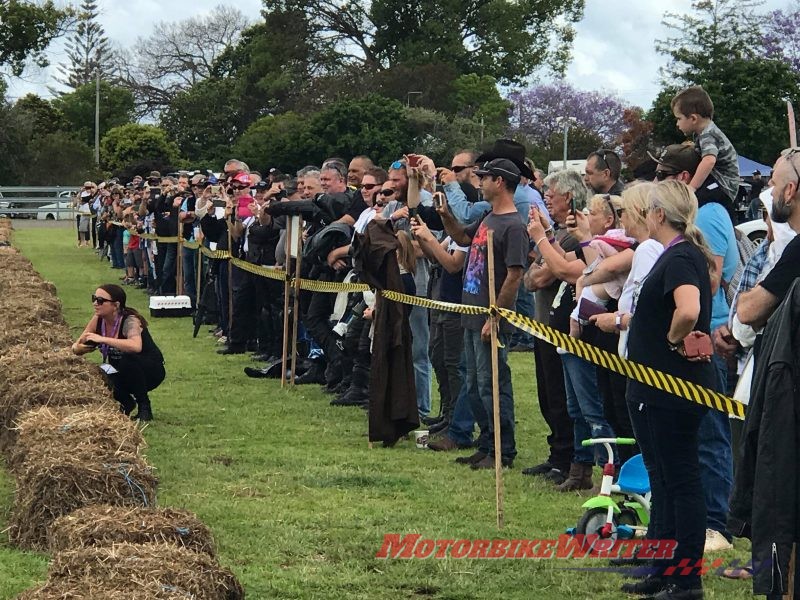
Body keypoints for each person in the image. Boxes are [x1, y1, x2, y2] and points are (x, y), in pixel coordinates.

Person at [621, 180, 716, 600]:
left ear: (659, 214)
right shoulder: (679, 254)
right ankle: (663, 567)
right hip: (657, 389)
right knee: (663, 478)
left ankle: (685, 578)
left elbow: (689, 309)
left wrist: (674, 341)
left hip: (672, 390)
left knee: (680, 480)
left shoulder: (679, 257)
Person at [439, 158, 529, 470]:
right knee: (475, 386)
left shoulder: (514, 226)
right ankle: (487, 442)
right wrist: (445, 217)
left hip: (491, 317)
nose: (480, 182)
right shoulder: (489, 218)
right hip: (471, 313)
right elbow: (463, 238)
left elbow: (515, 275)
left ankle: (504, 450)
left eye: (485, 177)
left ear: (500, 182)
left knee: (492, 384)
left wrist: (496, 316)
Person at [72, 284, 165, 421]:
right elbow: (80, 341)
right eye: (94, 298)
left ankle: (144, 407)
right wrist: (77, 348)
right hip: (121, 369)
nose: (95, 303)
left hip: (150, 370)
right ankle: (126, 402)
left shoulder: (130, 320)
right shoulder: (98, 319)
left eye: (100, 300)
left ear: (115, 305)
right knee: (99, 371)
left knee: (128, 359)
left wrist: (103, 339)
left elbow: (135, 346)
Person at [671, 85, 740, 211]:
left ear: (693, 118)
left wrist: (691, 188)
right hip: (719, 181)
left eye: (679, 118)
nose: (677, 124)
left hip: (723, 186)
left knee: (692, 202)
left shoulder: (708, 135)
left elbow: (709, 161)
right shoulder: (705, 133)